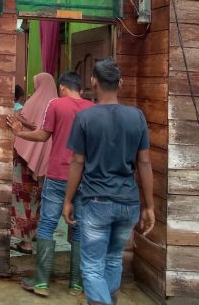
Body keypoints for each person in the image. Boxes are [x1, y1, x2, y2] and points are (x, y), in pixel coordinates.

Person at [62, 58, 154, 305]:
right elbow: (144, 163)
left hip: (96, 202)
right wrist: (149, 206)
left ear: (93, 81)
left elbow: (77, 162)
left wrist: (68, 200)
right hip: (128, 203)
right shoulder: (137, 117)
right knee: (113, 259)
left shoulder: (85, 118)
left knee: (92, 267)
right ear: (120, 83)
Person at [8, 71, 93, 297]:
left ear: (63, 88)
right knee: (78, 227)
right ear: (79, 88)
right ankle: (76, 285)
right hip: (84, 178)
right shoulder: (91, 108)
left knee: (47, 225)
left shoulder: (56, 104)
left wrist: (19, 132)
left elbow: (42, 136)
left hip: (57, 175)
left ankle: (42, 283)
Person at [8, 76, 57, 254]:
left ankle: (25, 242)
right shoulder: (55, 105)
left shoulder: (32, 103)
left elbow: (17, 121)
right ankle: (33, 233)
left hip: (24, 160)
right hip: (44, 162)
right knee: (37, 199)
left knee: (23, 199)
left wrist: (21, 125)